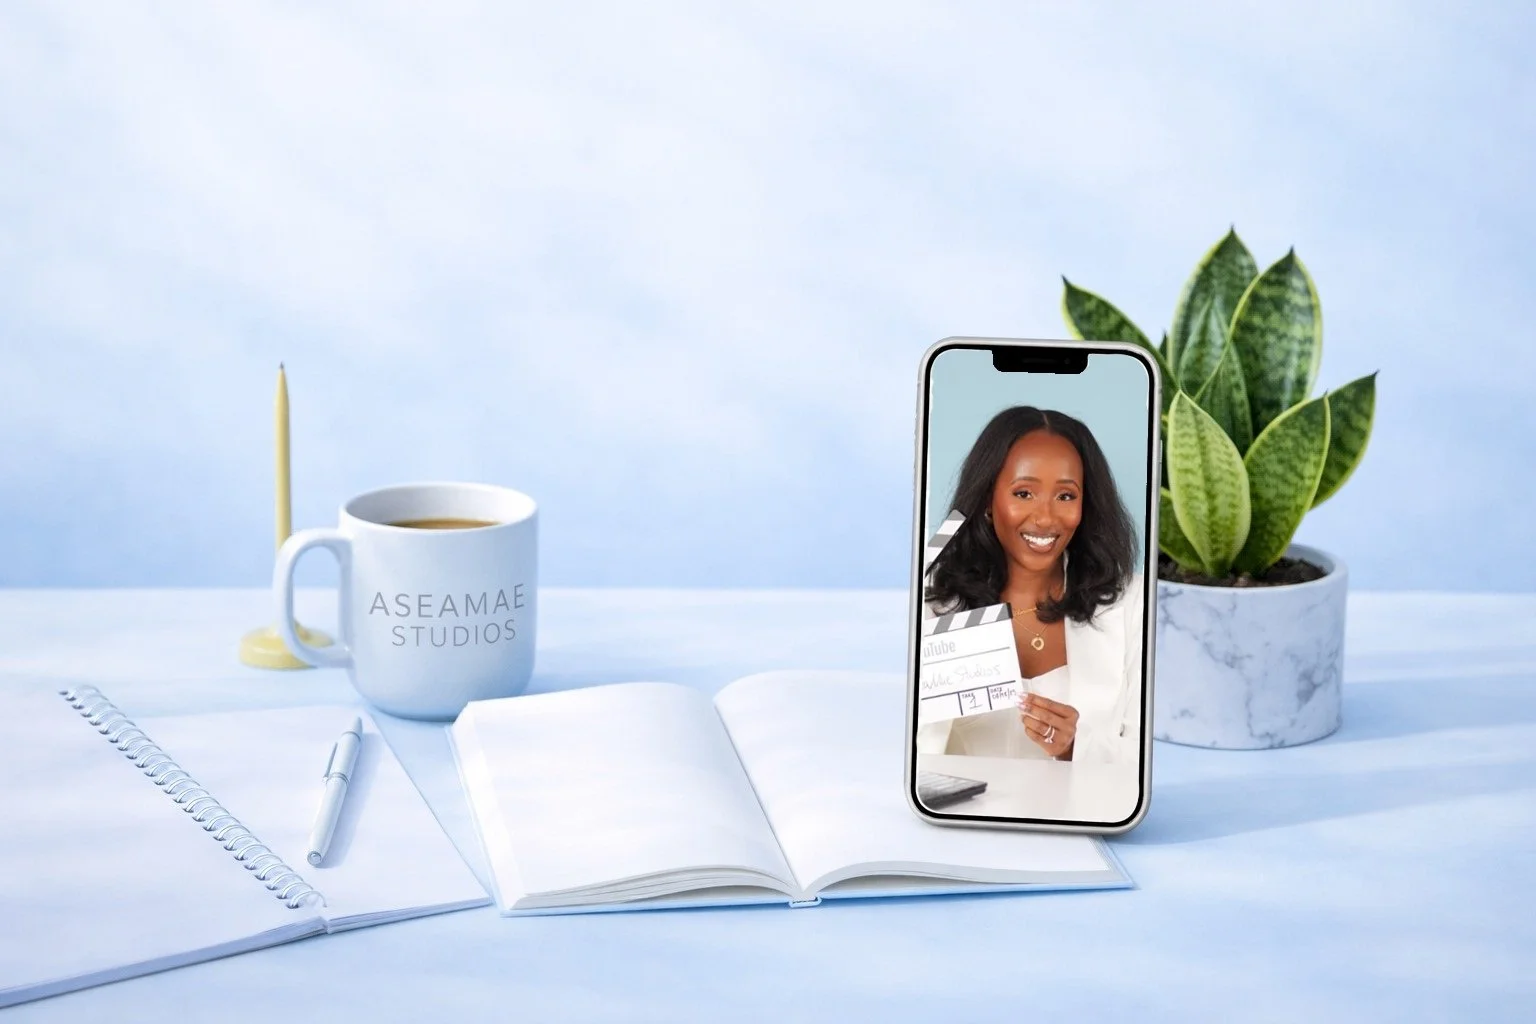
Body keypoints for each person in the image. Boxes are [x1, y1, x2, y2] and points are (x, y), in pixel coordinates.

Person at [917, 406, 1143, 762]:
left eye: (1066, 496)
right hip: (968, 816)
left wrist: (1076, 747)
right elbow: (919, 748)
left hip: (1084, 813)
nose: (1045, 518)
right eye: (1023, 493)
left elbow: (1141, 757)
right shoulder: (937, 600)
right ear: (988, 500)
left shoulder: (1128, 600)